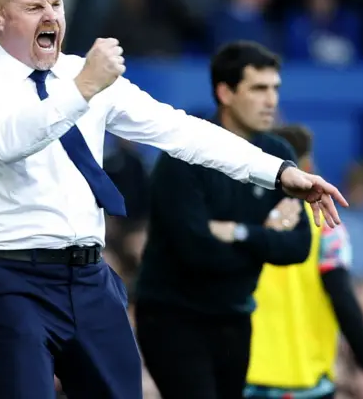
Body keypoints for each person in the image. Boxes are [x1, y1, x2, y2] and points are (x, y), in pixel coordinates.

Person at [0, 0, 347, 399]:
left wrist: (279, 172)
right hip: (12, 277)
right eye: (33, 6)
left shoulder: (84, 76)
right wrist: (82, 88)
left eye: (56, 4)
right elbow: (10, 140)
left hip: (88, 275)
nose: (50, 16)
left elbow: (180, 130)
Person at [134, 41, 314, 399]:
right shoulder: (184, 155)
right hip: (173, 316)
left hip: (235, 316)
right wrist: (265, 235)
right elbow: (197, 253)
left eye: (275, 88)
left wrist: (239, 232)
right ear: (225, 92)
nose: (271, 101)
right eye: (259, 89)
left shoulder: (279, 153)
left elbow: (298, 247)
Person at [244, 124, 363, 399]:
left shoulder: (239, 220)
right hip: (307, 382)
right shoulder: (325, 227)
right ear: (307, 164)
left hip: (245, 377)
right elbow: (342, 298)